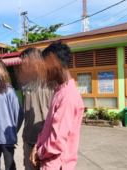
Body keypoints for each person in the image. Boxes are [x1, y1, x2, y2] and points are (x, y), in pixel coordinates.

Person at [29, 41, 84, 170]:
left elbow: (56, 142)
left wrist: (38, 153)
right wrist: (37, 145)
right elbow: (48, 128)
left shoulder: (68, 97)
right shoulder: (60, 91)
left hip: (58, 165)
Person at [18, 48, 53, 170]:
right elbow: (23, 111)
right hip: (29, 138)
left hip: (48, 140)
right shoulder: (25, 84)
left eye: (25, 61)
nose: (23, 65)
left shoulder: (52, 81)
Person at [0, 60, 24, 170]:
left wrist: (12, 131)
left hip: (7, 139)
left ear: (2, 72)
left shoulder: (9, 92)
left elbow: (19, 114)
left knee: (10, 166)